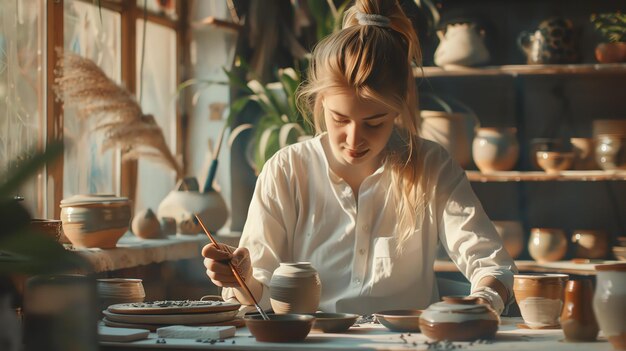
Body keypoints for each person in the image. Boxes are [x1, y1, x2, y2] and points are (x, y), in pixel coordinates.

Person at [202, 0, 517, 315]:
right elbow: (261, 294)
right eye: (340, 119)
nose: (354, 139)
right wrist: (242, 279)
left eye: (374, 122)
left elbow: (492, 263)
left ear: (397, 109)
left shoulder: (431, 165)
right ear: (321, 100)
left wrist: (484, 300)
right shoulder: (287, 170)